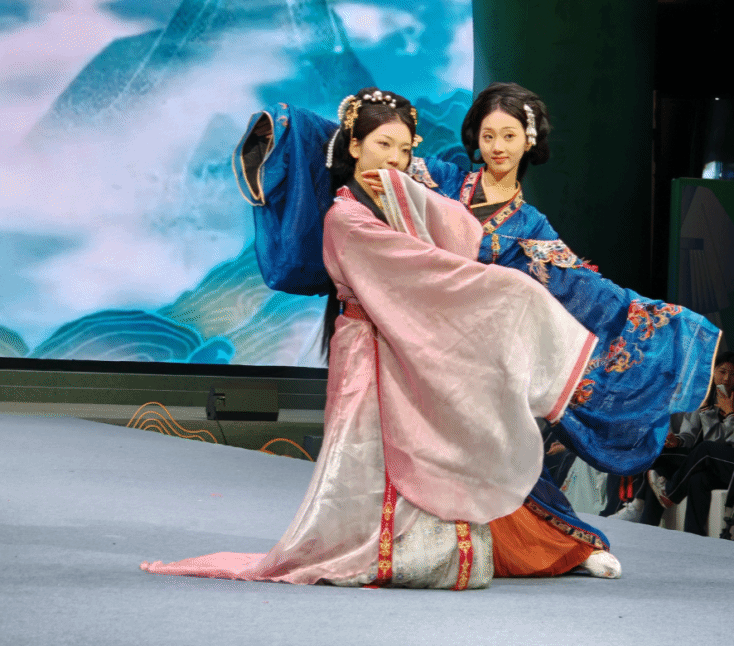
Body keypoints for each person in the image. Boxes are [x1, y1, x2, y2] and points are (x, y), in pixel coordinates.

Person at [144, 88, 620, 589]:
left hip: (428, 342)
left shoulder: (449, 203)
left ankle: (529, 548)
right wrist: (507, 289)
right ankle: (380, 548)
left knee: (464, 443)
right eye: (489, 135)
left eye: (405, 150)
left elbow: (463, 238)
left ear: (530, 142)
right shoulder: (372, 207)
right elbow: (432, 264)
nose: (395, 160)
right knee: (374, 455)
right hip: (381, 346)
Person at [235, 83, 720, 483]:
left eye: (509, 135)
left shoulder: (532, 229)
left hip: (468, 358)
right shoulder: (439, 178)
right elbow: (360, 142)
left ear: (529, 140)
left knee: (481, 469)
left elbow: (589, 293)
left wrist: (671, 328)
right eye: (488, 136)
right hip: (399, 336)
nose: (498, 147)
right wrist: (280, 137)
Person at [635, 353, 734, 528]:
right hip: (695, 458)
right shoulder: (704, 396)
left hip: (715, 462)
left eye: (733, 374)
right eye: (722, 371)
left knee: (661, 459)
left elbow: (716, 444)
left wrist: (708, 411)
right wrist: (677, 441)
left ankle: (642, 504)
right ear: (713, 371)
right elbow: (688, 435)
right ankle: (646, 526)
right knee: (659, 468)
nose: (726, 379)